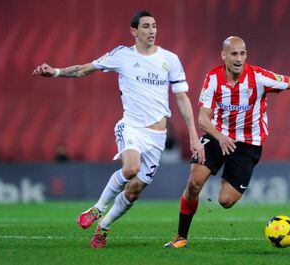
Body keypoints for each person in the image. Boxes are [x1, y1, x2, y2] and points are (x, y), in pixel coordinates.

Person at [32, 10, 204, 248]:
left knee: (134, 191)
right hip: (131, 126)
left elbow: (182, 99)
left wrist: (194, 136)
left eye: (154, 26)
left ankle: (103, 227)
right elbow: (85, 69)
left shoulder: (170, 59)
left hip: (157, 136)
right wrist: (57, 72)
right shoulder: (122, 56)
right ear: (134, 31)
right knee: (131, 167)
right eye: (145, 26)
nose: (152, 30)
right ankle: (97, 208)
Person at [164, 36, 290, 248]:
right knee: (194, 183)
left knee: (226, 201)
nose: (239, 58)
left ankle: (228, 177)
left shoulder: (258, 77)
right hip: (217, 136)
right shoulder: (213, 78)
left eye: (242, 53)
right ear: (224, 56)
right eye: (234, 54)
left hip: (248, 144)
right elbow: (203, 118)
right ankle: (181, 237)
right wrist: (220, 136)